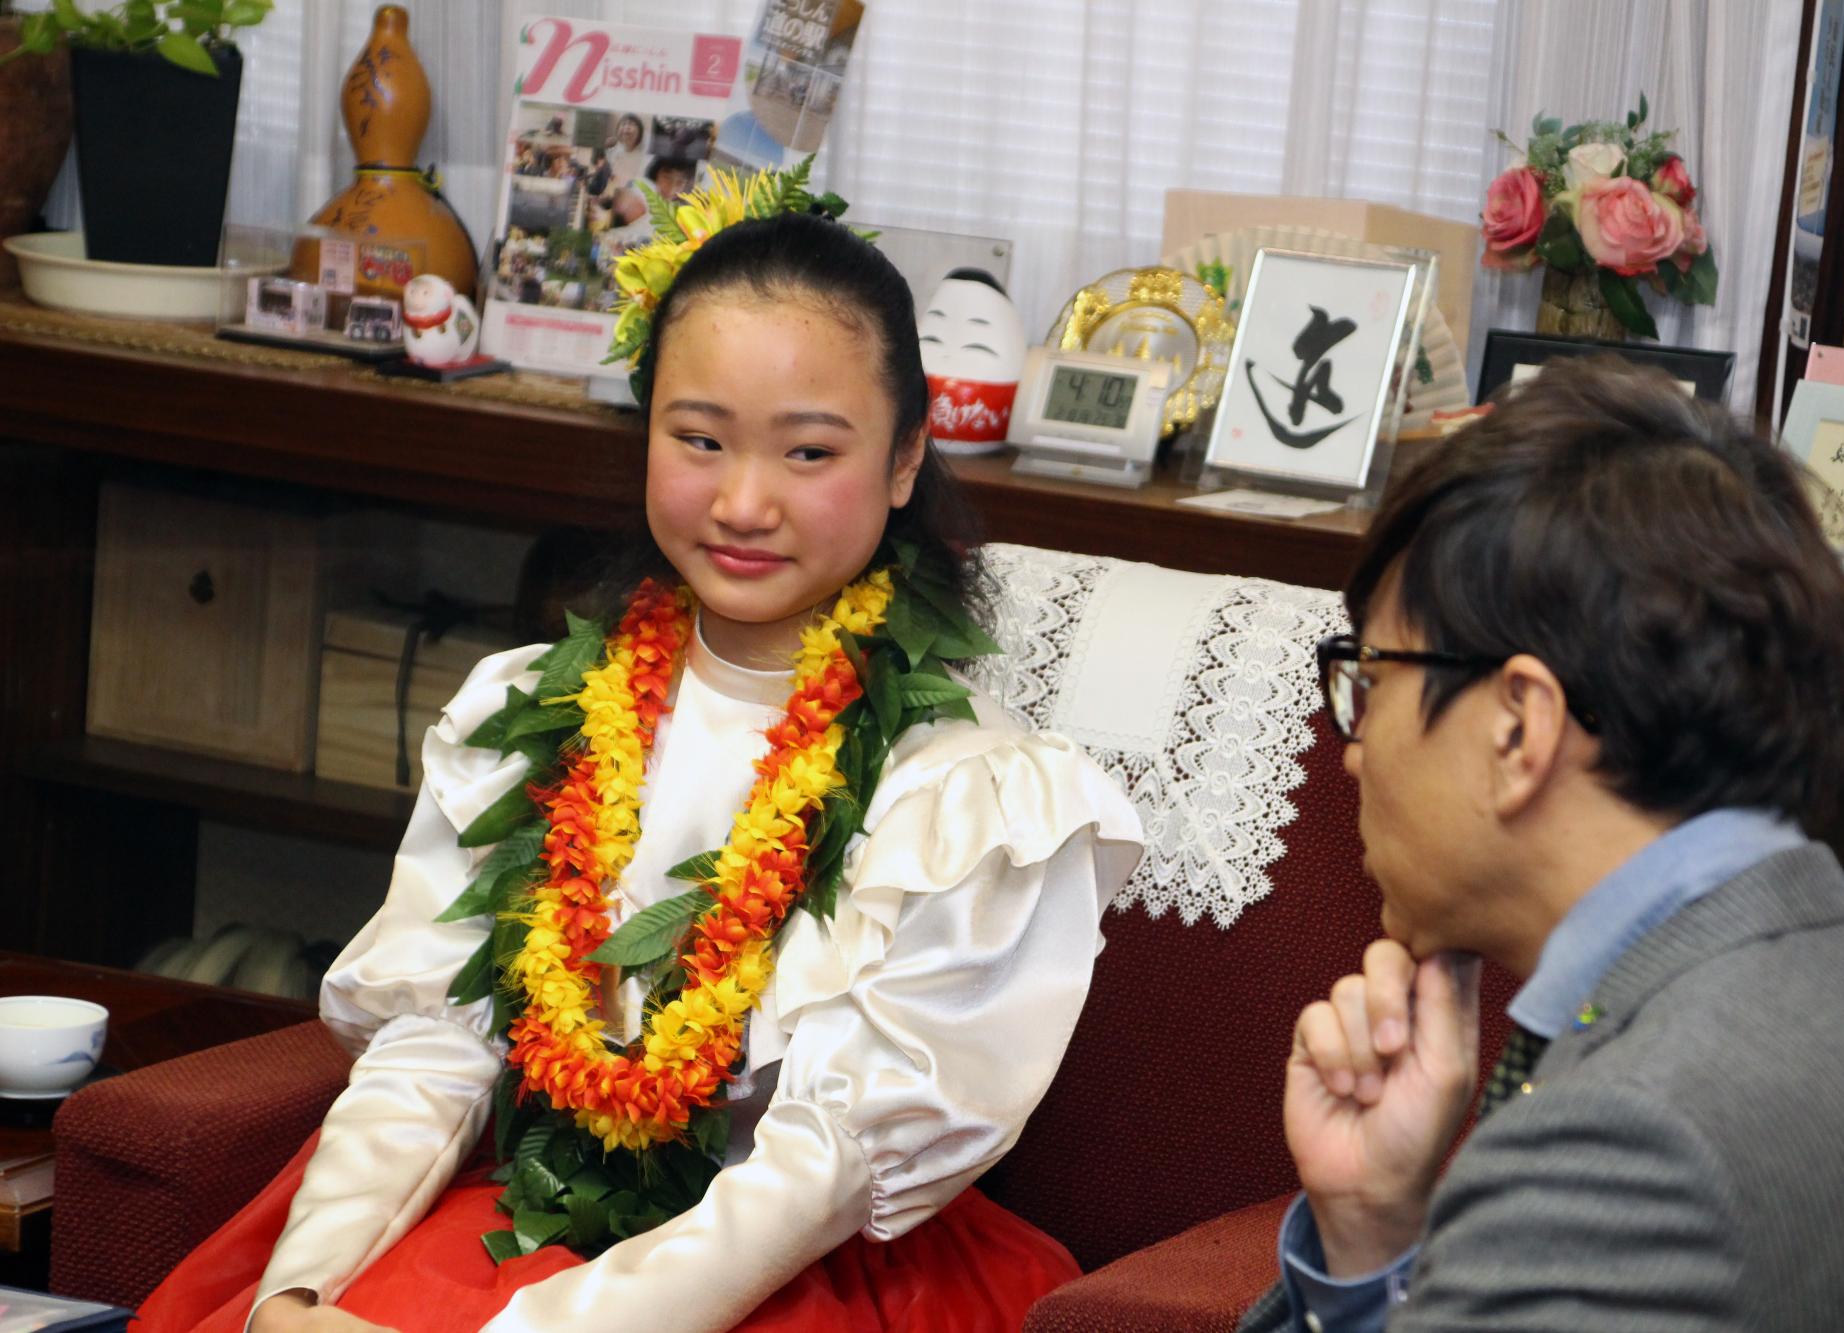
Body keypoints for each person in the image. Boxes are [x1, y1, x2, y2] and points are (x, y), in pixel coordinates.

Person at [135, 209, 1143, 1332]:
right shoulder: (532, 713)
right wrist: (301, 1291)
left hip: (785, 1274)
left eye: (809, 451)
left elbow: (818, 1171)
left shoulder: (970, 795)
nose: (742, 503)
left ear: (906, 457)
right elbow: (435, 1047)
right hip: (520, 1217)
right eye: (698, 439)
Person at [1245, 357, 1844, 1331]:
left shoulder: (1627, 1146)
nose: (1352, 754)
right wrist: (1370, 1229)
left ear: (1519, 727)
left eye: (1372, 679)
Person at [601, 112, 649, 192]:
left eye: (632, 124)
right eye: (623, 124)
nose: (626, 127)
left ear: (640, 132)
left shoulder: (645, 158)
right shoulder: (613, 154)